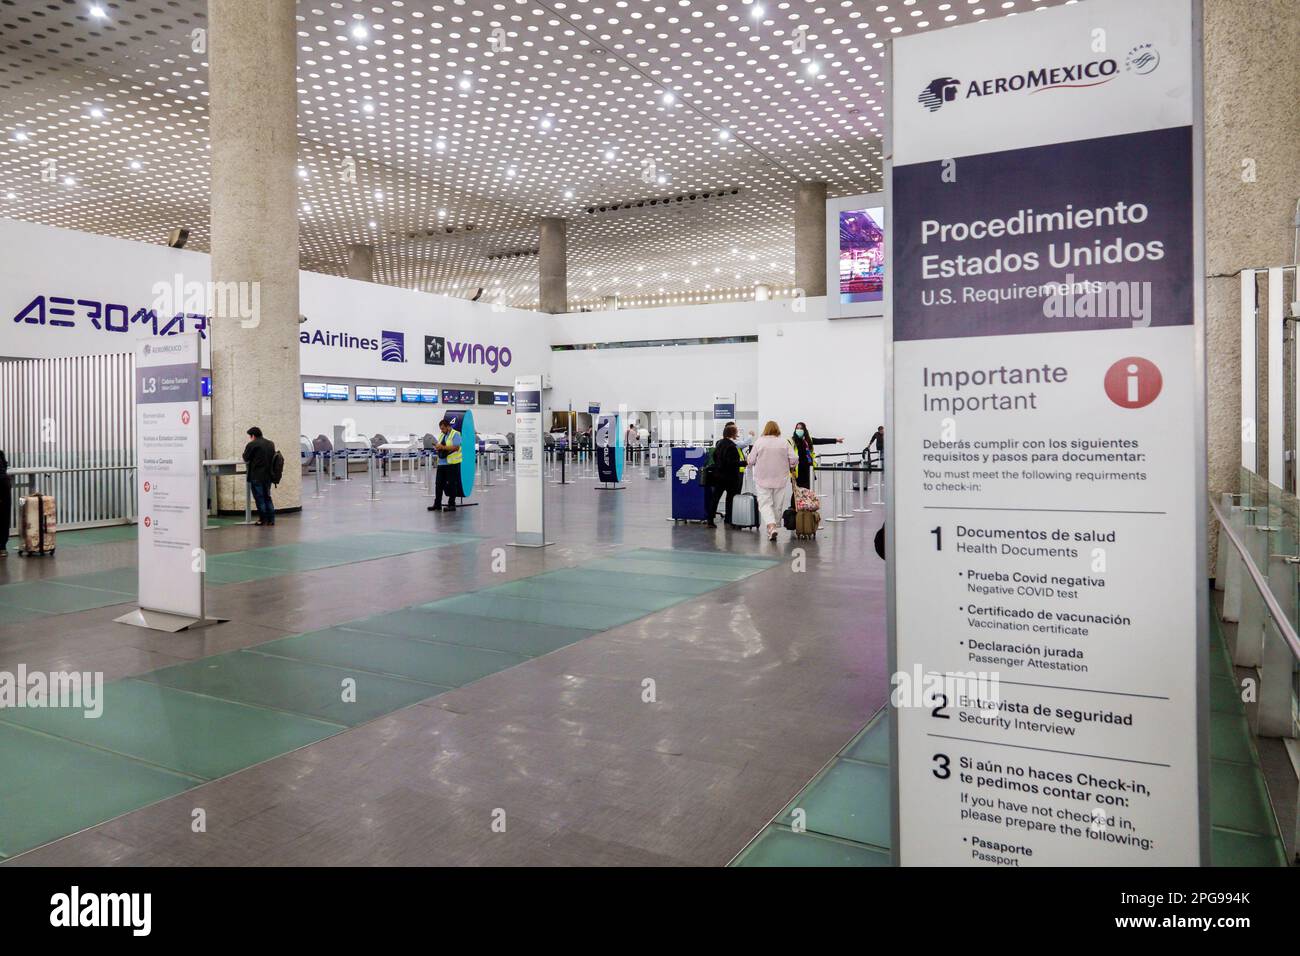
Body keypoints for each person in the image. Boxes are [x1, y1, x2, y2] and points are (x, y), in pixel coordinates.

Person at [748, 421, 798, 541]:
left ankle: (771, 526)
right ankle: (774, 526)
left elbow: (751, 460)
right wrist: (790, 464)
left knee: (765, 504)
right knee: (777, 504)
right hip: (780, 478)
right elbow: (794, 458)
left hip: (762, 478)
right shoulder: (783, 442)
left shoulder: (759, 442)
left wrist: (750, 461)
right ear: (777, 429)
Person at [706, 423, 743, 529]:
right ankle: (729, 519)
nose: (737, 434)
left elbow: (715, 458)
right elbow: (732, 463)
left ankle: (710, 520)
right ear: (732, 434)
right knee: (730, 499)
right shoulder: (732, 446)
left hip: (718, 476)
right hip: (730, 478)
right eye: (736, 432)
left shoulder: (719, 444)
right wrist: (744, 463)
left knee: (715, 498)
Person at [789, 420, 844, 489]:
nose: (799, 430)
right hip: (797, 470)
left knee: (807, 492)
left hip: (807, 469)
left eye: (801, 428)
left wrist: (835, 440)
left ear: (804, 430)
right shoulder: (792, 440)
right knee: (796, 493)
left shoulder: (809, 440)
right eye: (797, 428)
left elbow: (821, 440)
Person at [241, 427, 277, 526]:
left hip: (256, 476)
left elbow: (245, 457)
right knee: (267, 497)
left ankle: (262, 519)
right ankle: (271, 520)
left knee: (260, 498)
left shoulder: (252, 444)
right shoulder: (270, 443)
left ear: (253, 435)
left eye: (250, 436)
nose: (250, 438)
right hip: (268, 476)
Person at [428, 416, 464, 512]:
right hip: (442, 463)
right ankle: (437, 504)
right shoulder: (441, 435)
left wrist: (442, 447)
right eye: (441, 429)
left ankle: (452, 505)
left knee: (452, 484)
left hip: (452, 463)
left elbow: (456, 447)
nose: (442, 430)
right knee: (438, 484)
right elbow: (441, 445)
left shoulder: (456, 434)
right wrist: (437, 447)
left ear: (448, 426)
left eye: (443, 428)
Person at [0, 449, 9, 555]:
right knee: (4, 517)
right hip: (4, 486)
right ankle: (2, 547)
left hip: (2, 486)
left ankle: (2, 546)